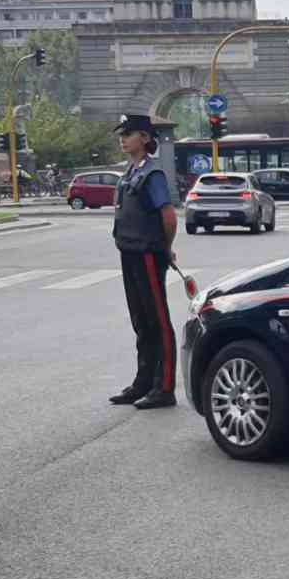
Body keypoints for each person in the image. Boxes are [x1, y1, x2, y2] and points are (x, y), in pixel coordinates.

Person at [109, 114, 178, 410]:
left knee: (158, 320)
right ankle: (143, 382)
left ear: (146, 139)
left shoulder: (153, 174)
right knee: (141, 321)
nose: (123, 139)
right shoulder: (129, 172)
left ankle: (164, 387)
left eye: (129, 133)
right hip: (130, 253)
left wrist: (166, 247)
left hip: (148, 254)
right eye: (121, 134)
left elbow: (168, 216)